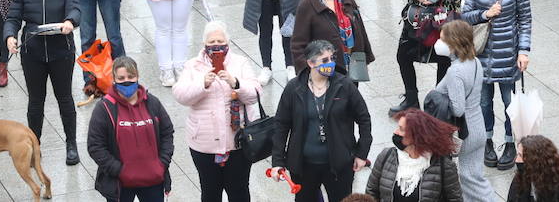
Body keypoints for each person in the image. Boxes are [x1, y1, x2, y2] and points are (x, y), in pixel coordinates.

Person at [3, 0, 81, 165]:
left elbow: (75, 8)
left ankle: (71, 144)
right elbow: (13, 18)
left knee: (64, 98)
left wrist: (69, 21)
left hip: (61, 52)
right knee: (36, 102)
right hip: (33, 52)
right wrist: (10, 36)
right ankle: (34, 145)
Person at [460, 0, 531, 170]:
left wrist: (523, 51)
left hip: (507, 55)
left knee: (511, 104)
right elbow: (465, 16)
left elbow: (525, 21)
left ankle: (511, 143)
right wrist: (485, 14)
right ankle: (486, 141)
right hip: (481, 55)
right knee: (483, 103)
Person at [171, 21, 262, 202]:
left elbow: (255, 94)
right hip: (204, 144)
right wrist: (202, 84)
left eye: (220, 40)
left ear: (227, 41)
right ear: (204, 43)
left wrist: (235, 82)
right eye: (211, 41)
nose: (216, 44)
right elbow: (180, 95)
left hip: (238, 142)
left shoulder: (240, 62)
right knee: (210, 191)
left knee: (239, 190)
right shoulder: (192, 66)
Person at [274, 38, 372, 202]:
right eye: (325, 60)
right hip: (304, 166)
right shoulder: (294, 88)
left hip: (339, 165)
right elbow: (281, 125)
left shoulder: (345, 86)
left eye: (332, 58)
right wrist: (277, 160)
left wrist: (361, 153)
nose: (331, 63)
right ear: (311, 63)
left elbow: (364, 119)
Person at [87, 54, 175, 202]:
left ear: (137, 76)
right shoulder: (104, 108)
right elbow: (95, 146)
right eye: (121, 78)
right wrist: (119, 170)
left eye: (131, 76)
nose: (126, 81)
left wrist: (162, 163)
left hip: (153, 180)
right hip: (120, 184)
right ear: (114, 79)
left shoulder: (152, 103)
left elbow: (167, 132)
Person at [365, 108, 462, 202]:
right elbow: (371, 192)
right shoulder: (385, 156)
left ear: (416, 136)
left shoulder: (444, 166)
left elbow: (455, 199)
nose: (395, 132)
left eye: (401, 129)